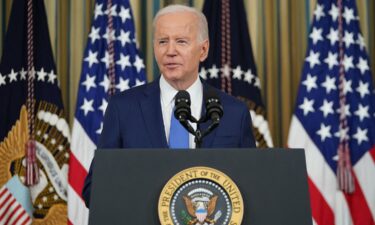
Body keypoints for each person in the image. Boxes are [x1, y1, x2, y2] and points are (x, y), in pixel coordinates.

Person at [82, 4, 256, 207]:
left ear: (203, 49)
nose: (170, 51)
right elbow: (94, 189)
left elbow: (249, 190)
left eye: (181, 42)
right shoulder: (123, 108)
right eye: (163, 41)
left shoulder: (234, 112)